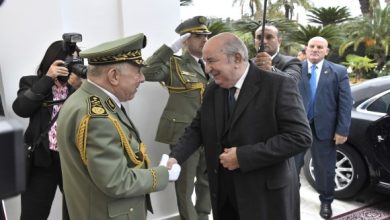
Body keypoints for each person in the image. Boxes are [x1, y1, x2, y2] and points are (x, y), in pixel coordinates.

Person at [167, 32, 312, 220]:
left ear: (236, 58)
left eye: (211, 61)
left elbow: (300, 137)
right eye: (205, 61)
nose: (207, 68)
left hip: (265, 198)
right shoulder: (213, 89)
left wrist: (243, 157)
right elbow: (197, 128)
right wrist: (175, 157)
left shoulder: (278, 85)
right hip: (224, 196)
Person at [56, 33, 176, 220]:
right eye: (138, 72)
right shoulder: (97, 116)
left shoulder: (86, 100)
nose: (142, 79)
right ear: (113, 76)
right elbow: (116, 181)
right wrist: (162, 175)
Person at [141, 15, 212, 220]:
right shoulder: (175, 63)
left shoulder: (211, 63)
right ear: (186, 39)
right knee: (185, 185)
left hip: (210, 131)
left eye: (206, 35)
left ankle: (203, 216)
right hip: (184, 135)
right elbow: (146, 72)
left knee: (207, 181)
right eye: (198, 36)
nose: (204, 39)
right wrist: (169, 49)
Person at [12, 40, 82, 220]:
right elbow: (21, 108)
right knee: (33, 214)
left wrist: (79, 87)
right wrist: (48, 79)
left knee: (77, 214)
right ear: (54, 62)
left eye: (76, 62)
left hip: (73, 161)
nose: (71, 68)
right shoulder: (31, 82)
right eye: (67, 63)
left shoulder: (80, 87)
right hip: (41, 161)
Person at [296, 36, 353, 219]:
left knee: (325, 168)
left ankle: (326, 202)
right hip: (297, 127)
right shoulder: (296, 69)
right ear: (306, 49)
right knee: (291, 165)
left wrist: (342, 129)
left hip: (325, 129)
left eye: (320, 47)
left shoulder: (338, 71)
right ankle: (290, 197)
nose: (315, 49)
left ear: (326, 51)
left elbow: (344, 103)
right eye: (312, 46)